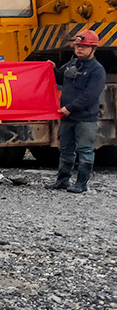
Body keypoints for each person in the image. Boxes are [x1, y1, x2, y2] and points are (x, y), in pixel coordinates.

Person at [48, 29, 106, 193]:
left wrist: (69, 108)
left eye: (84, 46)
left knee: (85, 150)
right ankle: (62, 181)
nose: (79, 49)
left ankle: (81, 184)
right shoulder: (72, 64)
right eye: (78, 46)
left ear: (93, 49)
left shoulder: (97, 70)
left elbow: (90, 95)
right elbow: (59, 78)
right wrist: (52, 68)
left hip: (85, 118)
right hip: (68, 117)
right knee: (65, 149)